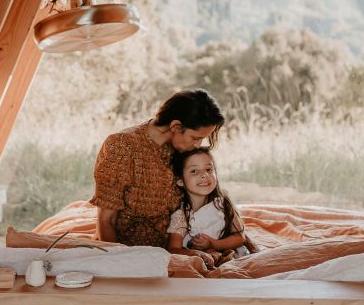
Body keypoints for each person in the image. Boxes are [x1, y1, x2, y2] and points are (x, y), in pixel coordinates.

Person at [91, 89, 225, 247]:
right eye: (195, 138)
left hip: (177, 249)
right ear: (175, 126)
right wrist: (118, 258)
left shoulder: (181, 150)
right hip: (128, 251)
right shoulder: (122, 146)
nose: (197, 145)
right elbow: (106, 220)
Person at [166, 147, 250, 266]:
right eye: (194, 171)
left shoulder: (222, 203)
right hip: (200, 260)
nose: (204, 175)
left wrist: (213, 244)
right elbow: (173, 249)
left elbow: (240, 237)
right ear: (180, 180)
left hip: (226, 254)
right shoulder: (181, 215)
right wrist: (196, 253)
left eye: (209, 169)